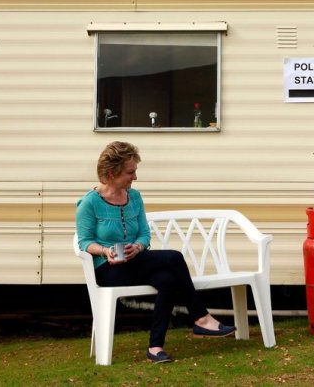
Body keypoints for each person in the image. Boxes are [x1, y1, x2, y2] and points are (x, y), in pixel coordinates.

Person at [76, 141, 235, 363]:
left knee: (168, 279)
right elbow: (84, 242)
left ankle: (155, 348)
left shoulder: (135, 198)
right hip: (108, 270)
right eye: (130, 172)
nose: (135, 177)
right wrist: (106, 251)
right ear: (112, 173)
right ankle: (201, 318)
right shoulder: (89, 203)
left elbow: (144, 234)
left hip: (136, 261)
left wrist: (138, 247)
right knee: (174, 257)